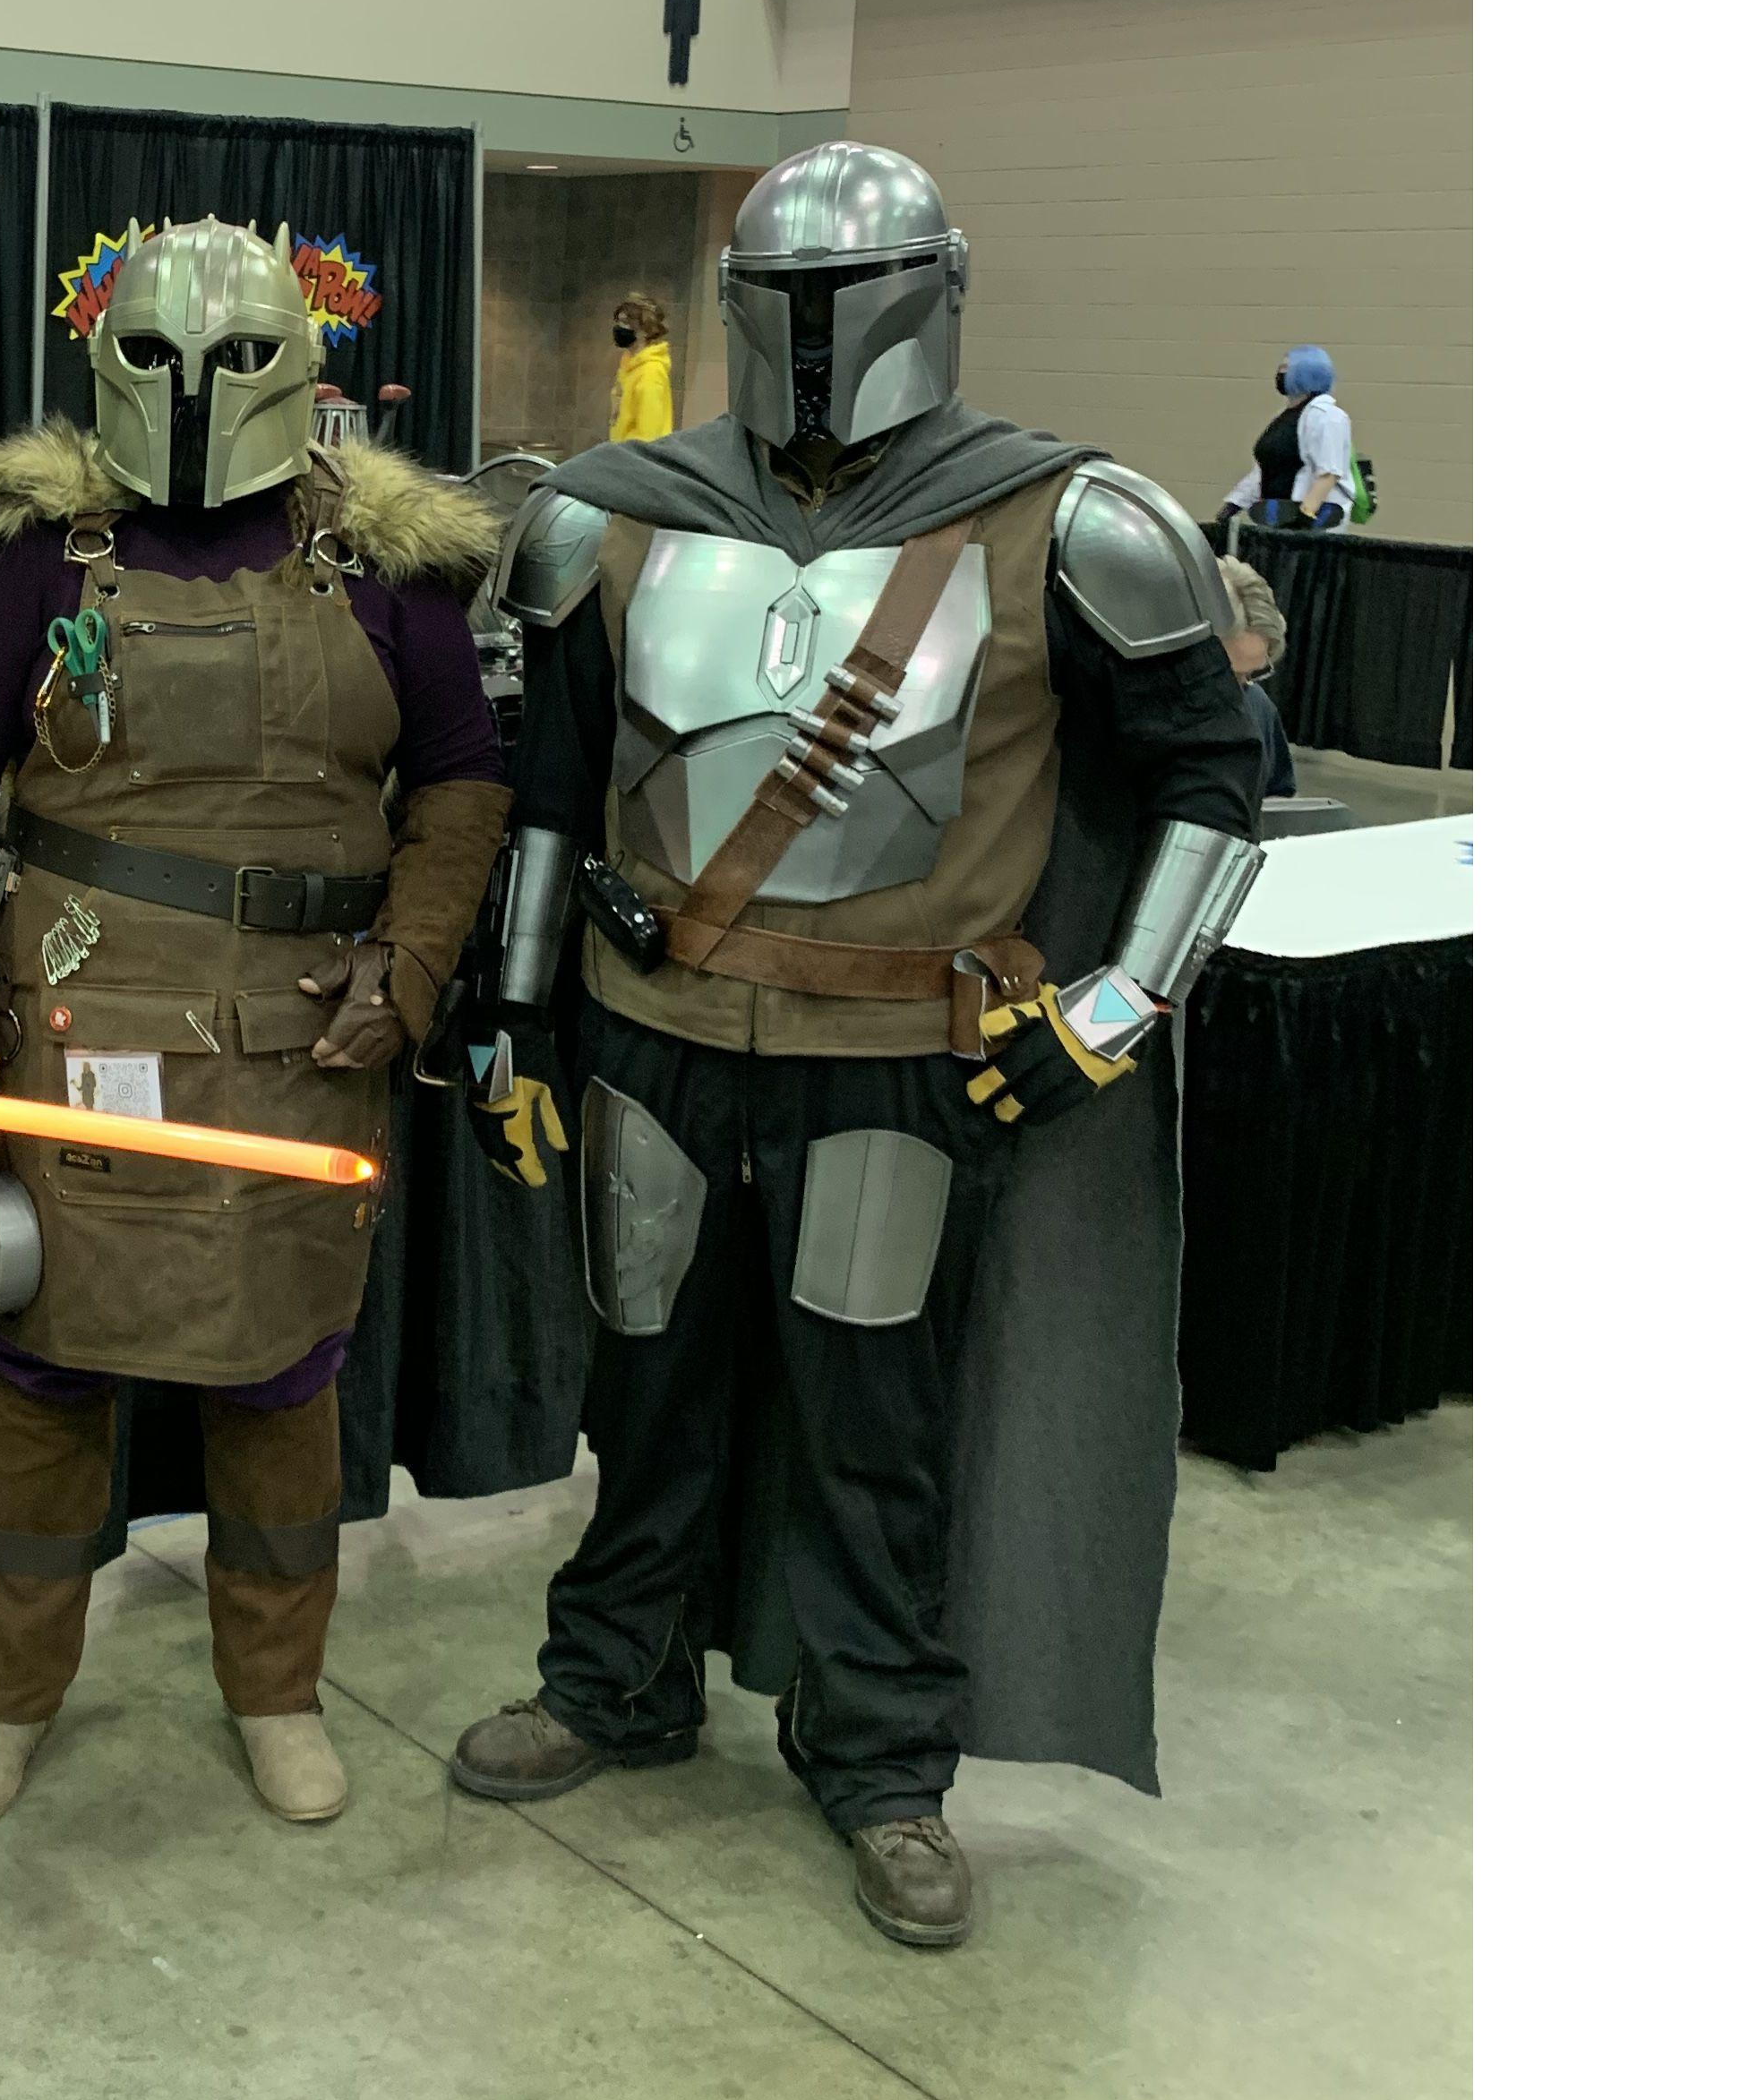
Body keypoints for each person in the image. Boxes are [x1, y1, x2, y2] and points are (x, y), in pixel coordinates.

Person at [446, 142, 1264, 1950]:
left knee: (868, 1417)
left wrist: (1117, 1007)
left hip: (901, 1054)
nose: (815, 337)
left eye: (851, 297)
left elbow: (1218, 782)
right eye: (785, 301)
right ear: (739, 306)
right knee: (641, 1388)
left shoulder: (1074, 518)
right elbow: (554, 798)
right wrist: (511, 1005)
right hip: (653, 1032)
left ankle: (882, 1756)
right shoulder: (605, 512)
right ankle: (615, 1681)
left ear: (935, 291)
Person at [0, 221, 511, 1829]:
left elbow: (461, 786)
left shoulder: (388, 568)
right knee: (35, 1372)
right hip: (83, 1023)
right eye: (157, 355)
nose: (192, 390)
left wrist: (411, 965)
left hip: (299, 1047)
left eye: (234, 357)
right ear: (103, 363)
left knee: (280, 1378)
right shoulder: (26, 559)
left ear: (297, 364)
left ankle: (276, 1690)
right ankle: (4, 1698)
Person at [1223, 344, 1358, 528]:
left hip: (1312, 524)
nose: (1279, 374)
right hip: (1277, 516)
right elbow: (1265, 468)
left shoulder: (1327, 416)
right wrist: (1234, 504)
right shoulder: (1284, 417)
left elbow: (1329, 473)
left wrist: (1306, 514)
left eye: (1285, 368)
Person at [1217, 551, 1297, 800]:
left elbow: (1278, 798)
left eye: (1252, 674)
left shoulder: (1257, 705)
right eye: (1231, 675)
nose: (1242, 687)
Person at [608, 290, 675, 442]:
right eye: (618, 322)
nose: (619, 328)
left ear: (645, 330)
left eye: (625, 323)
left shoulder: (650, 373)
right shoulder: (629, 367)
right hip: (624, 455)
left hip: (636, 461)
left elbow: (648, 434)